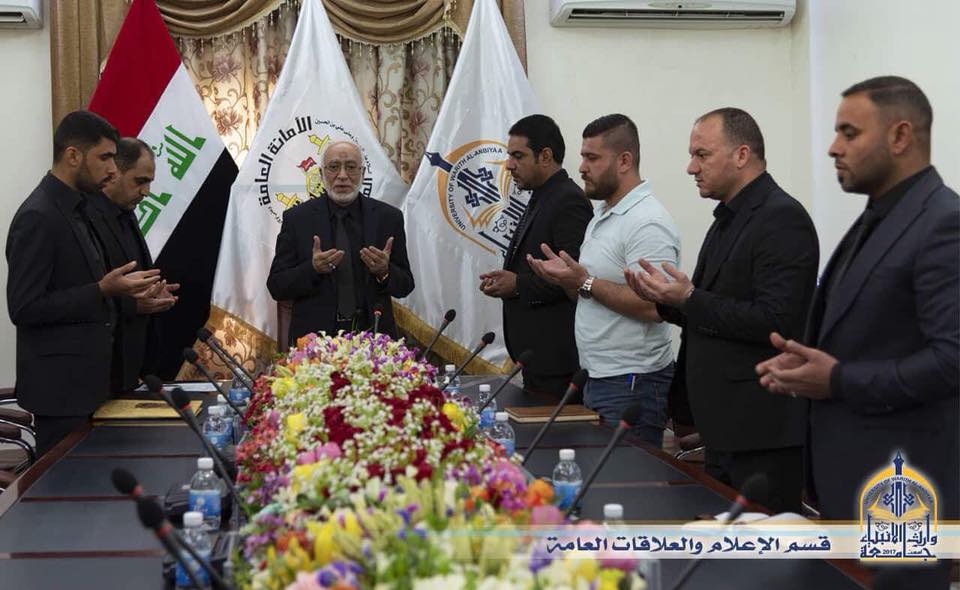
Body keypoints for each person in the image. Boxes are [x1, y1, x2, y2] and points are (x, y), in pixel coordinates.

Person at [757, 77, 957, 586]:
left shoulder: (943, 222)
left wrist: (838, 380)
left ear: (900, 136)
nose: (833, 147)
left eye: (849, 133)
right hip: (848, 479)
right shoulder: (881, 216)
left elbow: (952, 359)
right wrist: (807, 365)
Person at [627, 108, 818, 513]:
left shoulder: (782, 218)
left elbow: (776, 321)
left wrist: (689, 298)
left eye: (702, 154)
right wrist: (666, 298)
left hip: (762, 434)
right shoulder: (729, 218)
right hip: (723, 430)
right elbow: (710, 310)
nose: (691, 167)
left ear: (741, 154)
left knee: (762, 549)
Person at [6, 111, 161, 455]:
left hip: (97, 385)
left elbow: (87, 290)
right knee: (65, 486)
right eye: (105, 158)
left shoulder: (79, 209)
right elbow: (24, 308)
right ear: (73, 156)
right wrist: (102, 290)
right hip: (62, 394)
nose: (113, 169)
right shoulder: (38, 215)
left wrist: (129, 298)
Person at [528, 114, 679, 448]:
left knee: (627, 477)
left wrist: (584, 281)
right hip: (598, 377)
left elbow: (656, 306)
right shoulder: (602, 214)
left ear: (624, 161)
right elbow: (588, 292)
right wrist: (567, 280)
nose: (582, 167)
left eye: (592, 158)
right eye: (582, 156)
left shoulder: (647, 222)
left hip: (632, 381)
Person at [478, 115, 593, 398]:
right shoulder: (542, 195)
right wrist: (507, 280)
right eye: (509, 155)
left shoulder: (568, 200)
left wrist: (517, 284)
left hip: (557, 363)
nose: (509, 164)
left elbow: (574, 278)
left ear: (545, 156)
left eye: (518, 156)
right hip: (536, 360)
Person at [267, 141, 414, 346]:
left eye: (351, 167)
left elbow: (406, 285)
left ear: (362, 173)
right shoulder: (297, 219)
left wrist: (385, 271)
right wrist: (312, 269)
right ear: (322, 174)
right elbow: (277, 286)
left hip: (374, 340)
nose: (343, 176)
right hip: (314, 343)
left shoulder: (388, 218)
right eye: (334, 167)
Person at [90, 137, 179, 391]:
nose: (146, 192)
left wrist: (152, 291)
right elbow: (87, 290)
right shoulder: (87, 218)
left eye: (149, 182)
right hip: (102, 367)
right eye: (140, 181)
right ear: (114, 172)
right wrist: (133, 304)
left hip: (133, 364)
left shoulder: (126, 213)